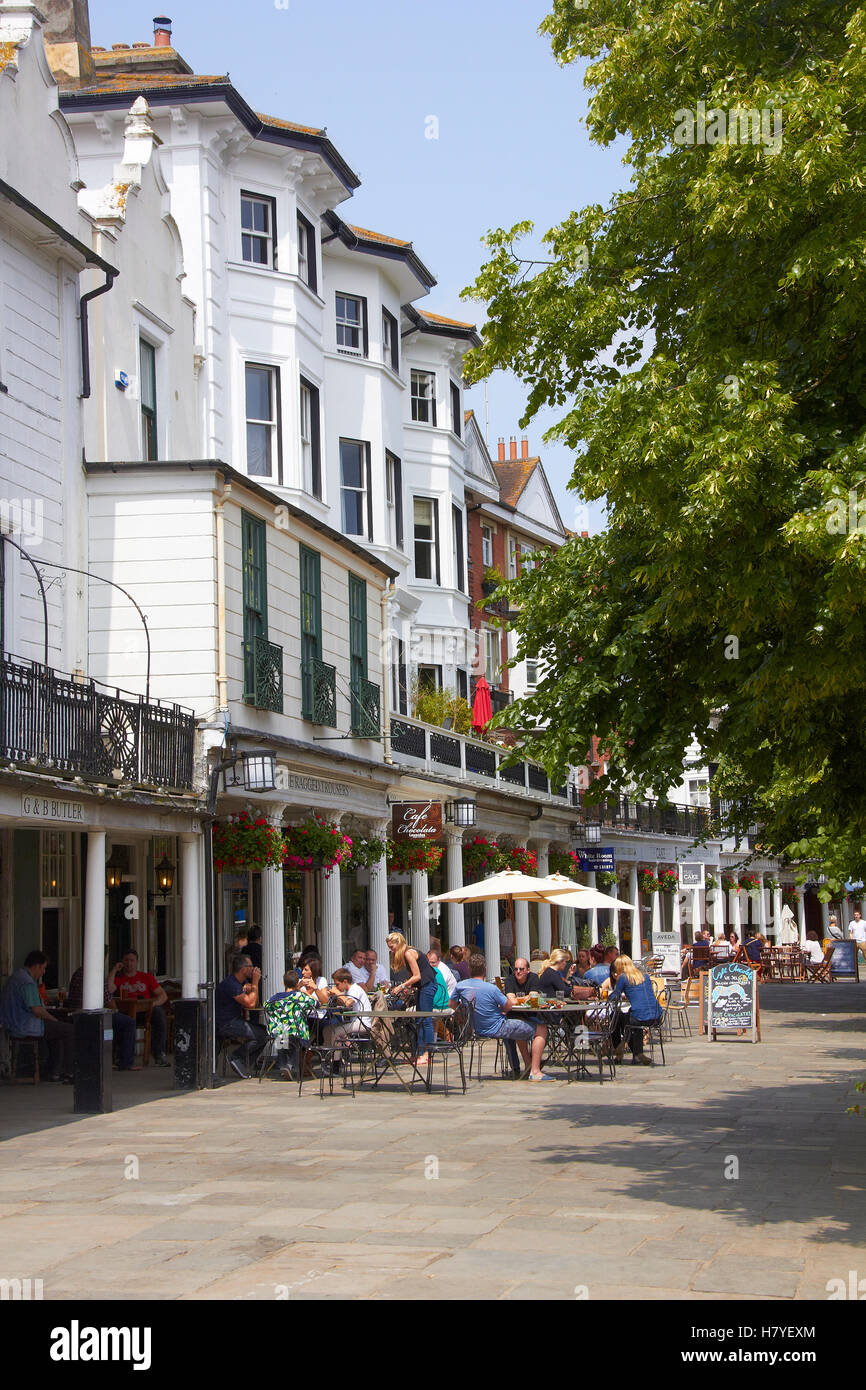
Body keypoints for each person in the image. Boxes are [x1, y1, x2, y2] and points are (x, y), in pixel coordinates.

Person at [453, 953, 552, 1082]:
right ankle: (535, 1071)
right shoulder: (491, 988)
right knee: (542, 1029)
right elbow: (508, 1006)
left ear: (469, 969)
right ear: (485, 969)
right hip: (498, 1027)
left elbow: (452, 1004)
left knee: (519, 1025)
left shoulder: (460, 986)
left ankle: (529, 1065)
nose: (518, 971)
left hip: (476, 1028)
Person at [0, 950, 74, 1081]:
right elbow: (37, 1010)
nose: (44, 972)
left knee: (56, 1031)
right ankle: (68, 1071)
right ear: (37, 966)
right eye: (44, 968)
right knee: (69, 1030)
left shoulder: (15, 977)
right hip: (25, 1026)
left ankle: (54, 1070)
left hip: (11, 1024)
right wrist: (53, 1019)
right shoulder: (27, 982)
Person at [67, 964, 138, 1072]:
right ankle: (125, 1062)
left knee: (116, 1022)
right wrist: (116, 1010)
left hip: (75, 1014)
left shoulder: (77, 973)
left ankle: (112, 1058)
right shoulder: (96, 974)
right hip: (92, 1016)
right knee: (128, 1022)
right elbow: (108, 1001)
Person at [107, 950, 170, 1066]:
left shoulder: (146, 977)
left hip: (144, 1012)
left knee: (159, 1013)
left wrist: (152, 1005)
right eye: (126, 960)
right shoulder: (118, 979)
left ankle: (159, 1054)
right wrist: (115, 970)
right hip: (124, 1013)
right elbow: (109, 989)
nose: (129, 963)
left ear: (137, 962)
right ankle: (119, 1056)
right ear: (122, 962)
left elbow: (163, 995)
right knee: (114, 1019)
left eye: (132, 960)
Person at [386, 931, 438, 1068]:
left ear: (398, 944)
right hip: (424, 986)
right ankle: (419, 1053)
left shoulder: (408, 953)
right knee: (420, 1019)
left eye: (392, 947)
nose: (391, 950)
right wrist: (408, 985)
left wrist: (402, 986)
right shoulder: (407, 953)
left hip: (428, 985)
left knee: (425, 1019)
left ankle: (426, 1054)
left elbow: (417, 976)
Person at [215, 953, 267, 1079]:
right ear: (243, 969)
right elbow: (251, 1003)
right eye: (251, 966)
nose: (253, 969)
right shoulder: (231, 984)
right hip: (226, 1023)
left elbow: (254, 1004)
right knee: (260, 1035)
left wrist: (251, 989)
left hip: (233, 1020)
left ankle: (243, 1063)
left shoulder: (239, 983)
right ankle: (238, 1058)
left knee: (264, 1032)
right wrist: (255, 982)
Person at [609, 955, 661, 1066]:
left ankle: (621, 1049)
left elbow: (615, 995)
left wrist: (608, 994)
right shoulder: (645, 976)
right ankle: (638, 1054)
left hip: (639, 1018)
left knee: (618, 1017)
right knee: (631, 1018)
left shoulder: (623, 977)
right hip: (656, 1016)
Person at [264, 969, 317, 1077]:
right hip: (296, 1031)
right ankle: (290, 1065)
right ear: (297, 983)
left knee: (282, 1037)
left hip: (279, 1030)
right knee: (296, 1041)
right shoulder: (299, 996)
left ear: (283, 983)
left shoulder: (275, 997)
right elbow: (316, 1004)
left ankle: (283, 1065)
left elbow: (266, 1006)